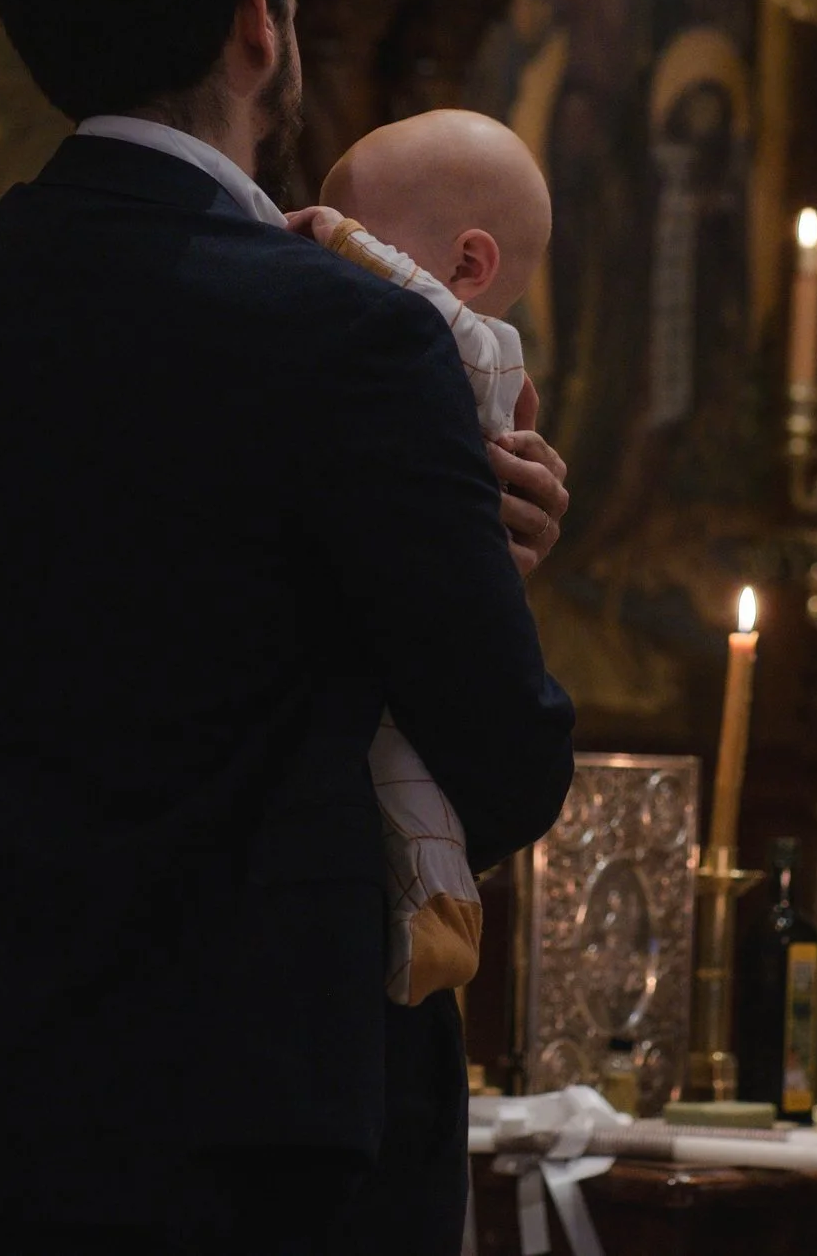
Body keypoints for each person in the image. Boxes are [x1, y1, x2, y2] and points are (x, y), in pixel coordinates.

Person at [0, 0, 577, 1256]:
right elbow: (504, 753)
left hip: (6, 1071)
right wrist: (477, 574)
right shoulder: (357, 333)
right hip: (275, 1105)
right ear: (261, 15)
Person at [289, 108, 554, 1008]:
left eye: (362, 236)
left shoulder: (470, 352)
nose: (331, 255)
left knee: (407, 781)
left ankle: (435, 917)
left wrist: (328, 236)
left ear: (466, 267)